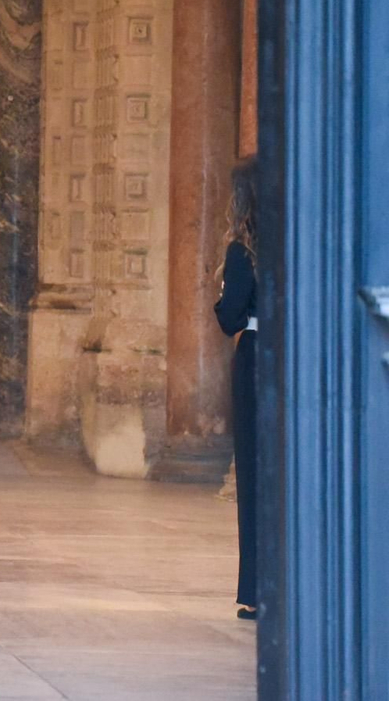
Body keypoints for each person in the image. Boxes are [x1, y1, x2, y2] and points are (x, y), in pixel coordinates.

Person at [214, 159, 260, 621]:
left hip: (257, 358)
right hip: (299, 360)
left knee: (253, 473)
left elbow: (230, 317)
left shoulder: (242, 252)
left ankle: (256, 590)